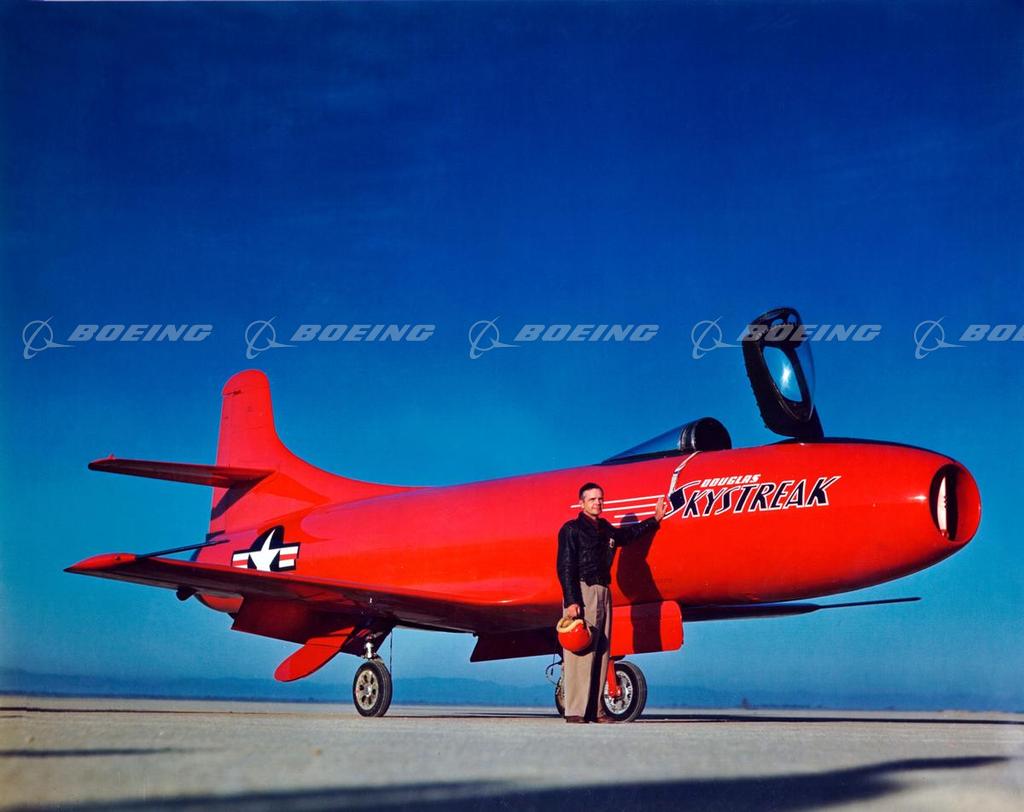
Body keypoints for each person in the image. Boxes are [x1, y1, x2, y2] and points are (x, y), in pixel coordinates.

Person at [556, 482, 666, 723]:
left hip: (604, 591)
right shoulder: (571, 529)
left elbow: (626, 536)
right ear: (581, 503)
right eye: (592, 499)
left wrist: (654, 520)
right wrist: (572, 600)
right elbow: (565, 566)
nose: (597, 503)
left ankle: (596, 711)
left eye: (600, 499)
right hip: (582, 591)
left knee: (602, 651)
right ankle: (575, 711)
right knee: (580, 650)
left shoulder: (604, 528)